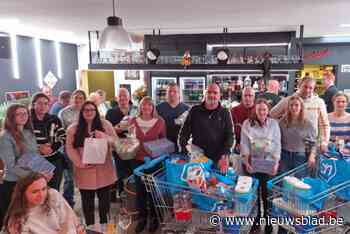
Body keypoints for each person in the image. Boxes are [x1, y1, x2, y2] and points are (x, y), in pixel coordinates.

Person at [66, 101, 117, 226]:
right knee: (87, 202)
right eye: (86, 110)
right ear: (81, 112)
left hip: (104, 170)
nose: (89, 112)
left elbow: (116, 142)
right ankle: (90, 227)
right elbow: (69, 148)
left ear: (96, 111)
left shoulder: (105, 124)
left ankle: (104, 226)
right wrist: (79, 163)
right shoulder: (73, 128)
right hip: (84, 170)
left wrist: (104, 136)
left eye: (92, 110)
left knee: (104, 202)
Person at [240, 98, 281, 234]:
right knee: (254, 195)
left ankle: (268, 221)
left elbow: (277, 144)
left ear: (268, 110)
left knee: (267, 195)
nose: (262, 112)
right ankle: (256, 221)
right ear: (255, 110)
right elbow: (244, 144)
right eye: (259, 110)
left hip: (268, 164)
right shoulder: (247, 124)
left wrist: (276, 163)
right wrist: (246, 162)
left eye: (264, 109)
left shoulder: (274, 124)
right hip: (253, 163)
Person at [129, 96, 166, 233]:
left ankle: (155, 218)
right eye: (143, 105)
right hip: (137, 161)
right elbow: (130, 139)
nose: (146, 107)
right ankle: (142, 219)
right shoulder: (133, 121)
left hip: (154, 162)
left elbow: (163, 141)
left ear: (153, 107)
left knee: (153, 192)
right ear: (140, 107)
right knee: (140, 192)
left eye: (149, 105)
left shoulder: (160, 121)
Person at [3, 172, 83, 234]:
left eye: (44, 189)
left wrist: (79, 228)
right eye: (35, 192)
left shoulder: (52, 194)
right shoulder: (17, 221)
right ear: (22, 194)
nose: (41, 195)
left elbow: (71, 217)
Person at [179, 83, 234, 172]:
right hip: (198, 158)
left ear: (219, 95)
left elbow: (230, 136)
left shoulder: (225, 113)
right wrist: (184, 151)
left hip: (218, 159)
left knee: (216, 183)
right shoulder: (195, 110)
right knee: (196, 184)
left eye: (215, 93)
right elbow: (184, 132)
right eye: (209, 92)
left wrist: (225, 155)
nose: (212, 95)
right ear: (205, 94)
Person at [0, 104, 38, 229]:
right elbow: (11, 166)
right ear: (11, 117)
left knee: (29, 217)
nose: (23, 116)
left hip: (30, 181)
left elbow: (34, 156)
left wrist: (44, 171)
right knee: (12, 219)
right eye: (19, 114)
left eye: (25, 113)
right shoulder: (5, 136)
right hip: (14, 183)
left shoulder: (29, 133)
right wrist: (34, 176)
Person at [271, 77, 330, 153]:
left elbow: (324, 125)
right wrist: (282, 122)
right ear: (299, 86)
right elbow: (272, 114)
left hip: (311, 146)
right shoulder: (289, 100)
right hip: (288, 147)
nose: (307, 90)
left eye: (310, 88)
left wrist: (324, 142)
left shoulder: (319, 102)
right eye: (305, 86)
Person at [105, 88, 137, 201]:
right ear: (117, 98)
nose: (123, 98)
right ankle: (123, 195)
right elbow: (107, 131)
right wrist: (119, 128)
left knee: (133, 170)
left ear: (129, 97)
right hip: (118, 148)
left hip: (133, 147)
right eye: (120, 96)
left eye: (125, 95)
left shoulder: (135, 110)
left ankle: (132, 195)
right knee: (120, 171)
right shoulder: (111, 112)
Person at [31, 92, 65, 191]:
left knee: (54, 190)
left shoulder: (54, 119)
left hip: (55, 159)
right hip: (35, 160)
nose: (43, 106)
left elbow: (63, 137)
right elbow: (23, 142)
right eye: (40, 103)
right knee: (38, 190)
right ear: (34, 104)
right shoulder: (27, 120)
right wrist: (39, 148)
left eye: (46, 103)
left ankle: (52, 207)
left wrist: (52, 148)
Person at [58, 89, 86, 208]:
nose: (78, 100)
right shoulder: (63, 113)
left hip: (85, 149)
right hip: (68, 148)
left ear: (84, 100)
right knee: (69, 177)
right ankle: (68, 203)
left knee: (85, 175)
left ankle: (86, 200)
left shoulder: (88, 111)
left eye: (81, 98)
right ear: (71, 98)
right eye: (76, 97)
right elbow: (60, 132)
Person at [279, 95, 317, 173]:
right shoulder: (282, 122)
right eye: (291, 105)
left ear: (301, 107)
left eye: (296, 105)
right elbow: (278, 140)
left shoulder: (307, 123)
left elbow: (314, 143)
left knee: (299, 182)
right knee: (283, 182)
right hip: (284, 155)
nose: (293, 107)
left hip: (300, 156)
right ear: (288, 107)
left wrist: (312, 156)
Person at [156, 83, 189, 151]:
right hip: (163, 145)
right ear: (166, 94)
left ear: (179, 94)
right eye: (169, 91)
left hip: (181, 146)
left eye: (174, 91)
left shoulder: (186, 109)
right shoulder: (158, 108)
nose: (172, 94)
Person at [230, 87, 255, 154]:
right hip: (238, 148)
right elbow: (230, 131)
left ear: (254, 97)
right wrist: (236, 144)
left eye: (250, 95)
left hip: (256, 149)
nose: (247, 98)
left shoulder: (259, 110)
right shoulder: (234, 110)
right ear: (242, 96)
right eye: (245, 95)